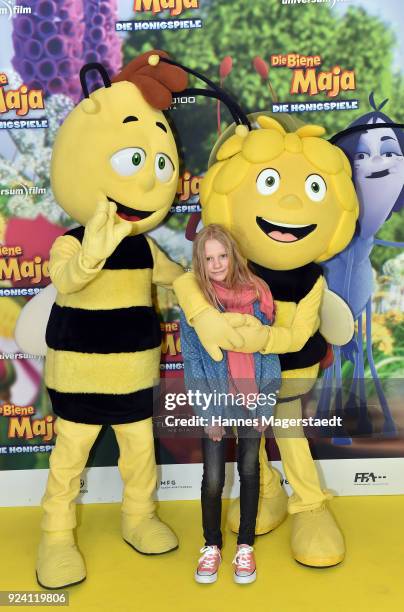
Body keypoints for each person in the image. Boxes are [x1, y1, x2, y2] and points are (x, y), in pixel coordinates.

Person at [179, 224, 281, 585]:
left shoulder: (258, 296)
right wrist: (209, 413)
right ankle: (211, 546)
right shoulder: (196, 306)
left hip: (253, 403)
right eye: (209, 258)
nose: (217, 264)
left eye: (222, 255)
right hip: (217, 406)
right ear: (200, 263)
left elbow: (269, 354)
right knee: (214, 480)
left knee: (250, 473)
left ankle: (245, 546)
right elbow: (192, 360)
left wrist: (265, 405)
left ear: (233, 255)